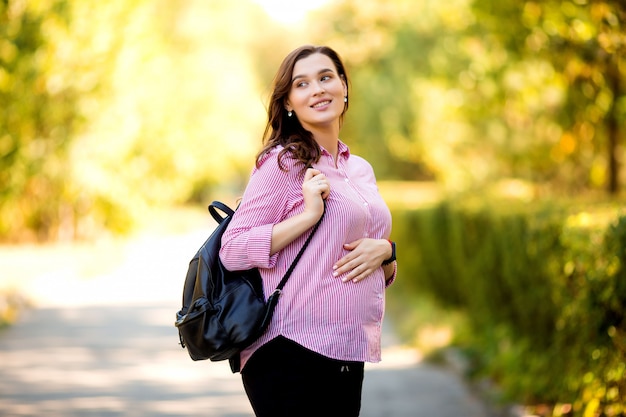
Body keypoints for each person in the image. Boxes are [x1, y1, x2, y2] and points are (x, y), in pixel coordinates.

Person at [219, 45, 397, 417]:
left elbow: (371, 266)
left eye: (326, 77)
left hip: (347, 347)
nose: (317, 89)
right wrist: (307, 216)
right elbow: (231, 249)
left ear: (344, 87)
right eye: (302, 84)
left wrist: (386, 252)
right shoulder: (282, 163)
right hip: (291, 349)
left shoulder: (360, 169)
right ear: (289, 102)